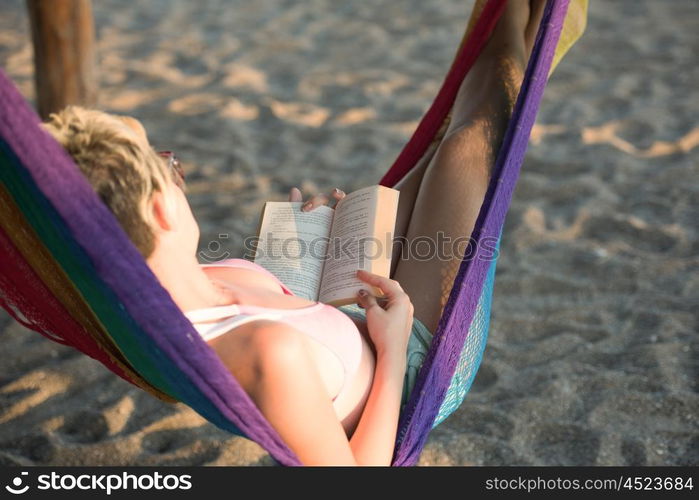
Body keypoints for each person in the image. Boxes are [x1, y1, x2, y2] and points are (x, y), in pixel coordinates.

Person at [42, 1, 545, 465]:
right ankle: (524, 16)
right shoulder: (266, 354)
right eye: (169, 168)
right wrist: (391, 352)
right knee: (476, 136)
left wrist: (301, 251)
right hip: (415, 363)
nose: (179, 173)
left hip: (355, 296)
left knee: (447, 143)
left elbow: (276, 313)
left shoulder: (165, 286)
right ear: (160, 210)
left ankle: (522, 17)